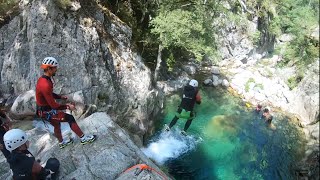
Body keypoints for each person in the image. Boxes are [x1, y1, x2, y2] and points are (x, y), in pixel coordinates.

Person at [36, 57, 96, 149]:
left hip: (43, 110)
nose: (56, 69)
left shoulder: (44, 79)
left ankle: (61, 143)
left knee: (56, 124)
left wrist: (60, 97)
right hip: (47, 111)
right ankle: (83, 139)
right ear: (49, 69)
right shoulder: (45, 84)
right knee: (70, 118)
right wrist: (68, 106)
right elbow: (53, 105)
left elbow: (48, 94)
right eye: (55, 68)